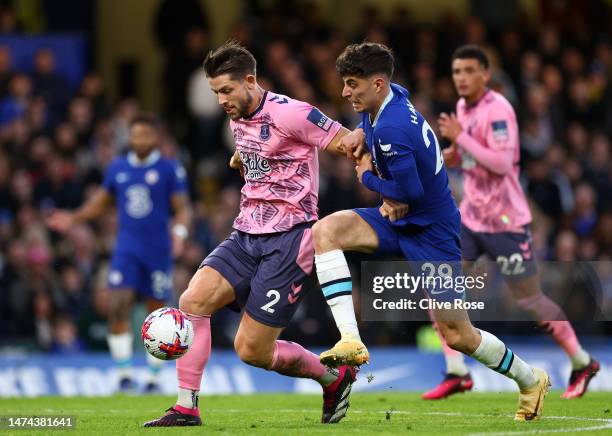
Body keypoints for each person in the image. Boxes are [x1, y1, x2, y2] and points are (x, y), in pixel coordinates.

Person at [312, 42, 550, 421]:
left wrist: (368, 176)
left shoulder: (393, 128)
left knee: (459, 335)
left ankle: (529, 379)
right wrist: (360, 132)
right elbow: (401, 186)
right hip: (397, 219)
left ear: (375, 83)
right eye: (344, 83)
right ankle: (351, 339)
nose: (344, 92)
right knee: (326, 232)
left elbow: (410, 192)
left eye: (351, 84)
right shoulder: (389, 98)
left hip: (432, 233)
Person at [144, 40, 362, 427]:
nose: (220, 100)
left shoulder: (293, 113)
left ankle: (332, 376)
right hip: (246, 233)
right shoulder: (238, 113)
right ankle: (185, 407)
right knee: (193, 299)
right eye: (215, 93)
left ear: (250, 80)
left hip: (290, 240)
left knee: (251, 351)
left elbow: (346, 141)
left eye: (226, 90)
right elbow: (263, 147)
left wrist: (373, 166)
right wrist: (244, 157)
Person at [423, 44, 599, 400]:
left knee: (529, 299)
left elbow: (502, 164)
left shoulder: (499, 110)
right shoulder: (461, 108)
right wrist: (445, 157)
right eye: (456, 72)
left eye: (469, 71)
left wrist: (462, 138)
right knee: (438, 287)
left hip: (505, 221)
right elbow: (468, 158)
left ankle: (582, 362)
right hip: (472, 219)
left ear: (486, 74)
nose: (461, 78)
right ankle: (457, 371)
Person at [47, 114, 192, 393]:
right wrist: (73, 218)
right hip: (126, 247)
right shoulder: (118, 167)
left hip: (158, 249)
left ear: (156, 138)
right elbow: (101, 202)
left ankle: (152, 378)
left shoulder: (169, 169)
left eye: (145, 135)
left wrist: (180, 233)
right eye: (135, 134)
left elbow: (183, 207)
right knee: (117, 303)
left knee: (157, 313)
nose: (139, 140)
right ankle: (124, 375)